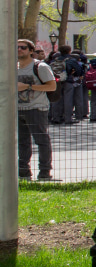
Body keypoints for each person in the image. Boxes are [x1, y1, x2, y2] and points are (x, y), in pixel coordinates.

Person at [17, 38, 57, 180]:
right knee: (22, 142)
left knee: (41, 140)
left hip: (36, 108)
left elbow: (52, 86)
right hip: (17, 109)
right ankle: (23, 171)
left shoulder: (40, 67)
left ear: (31, 51)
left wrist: (28, 86)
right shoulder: (12, 67)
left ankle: (45, 171)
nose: (19, 49)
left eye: (23, 47)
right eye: (17, 47)